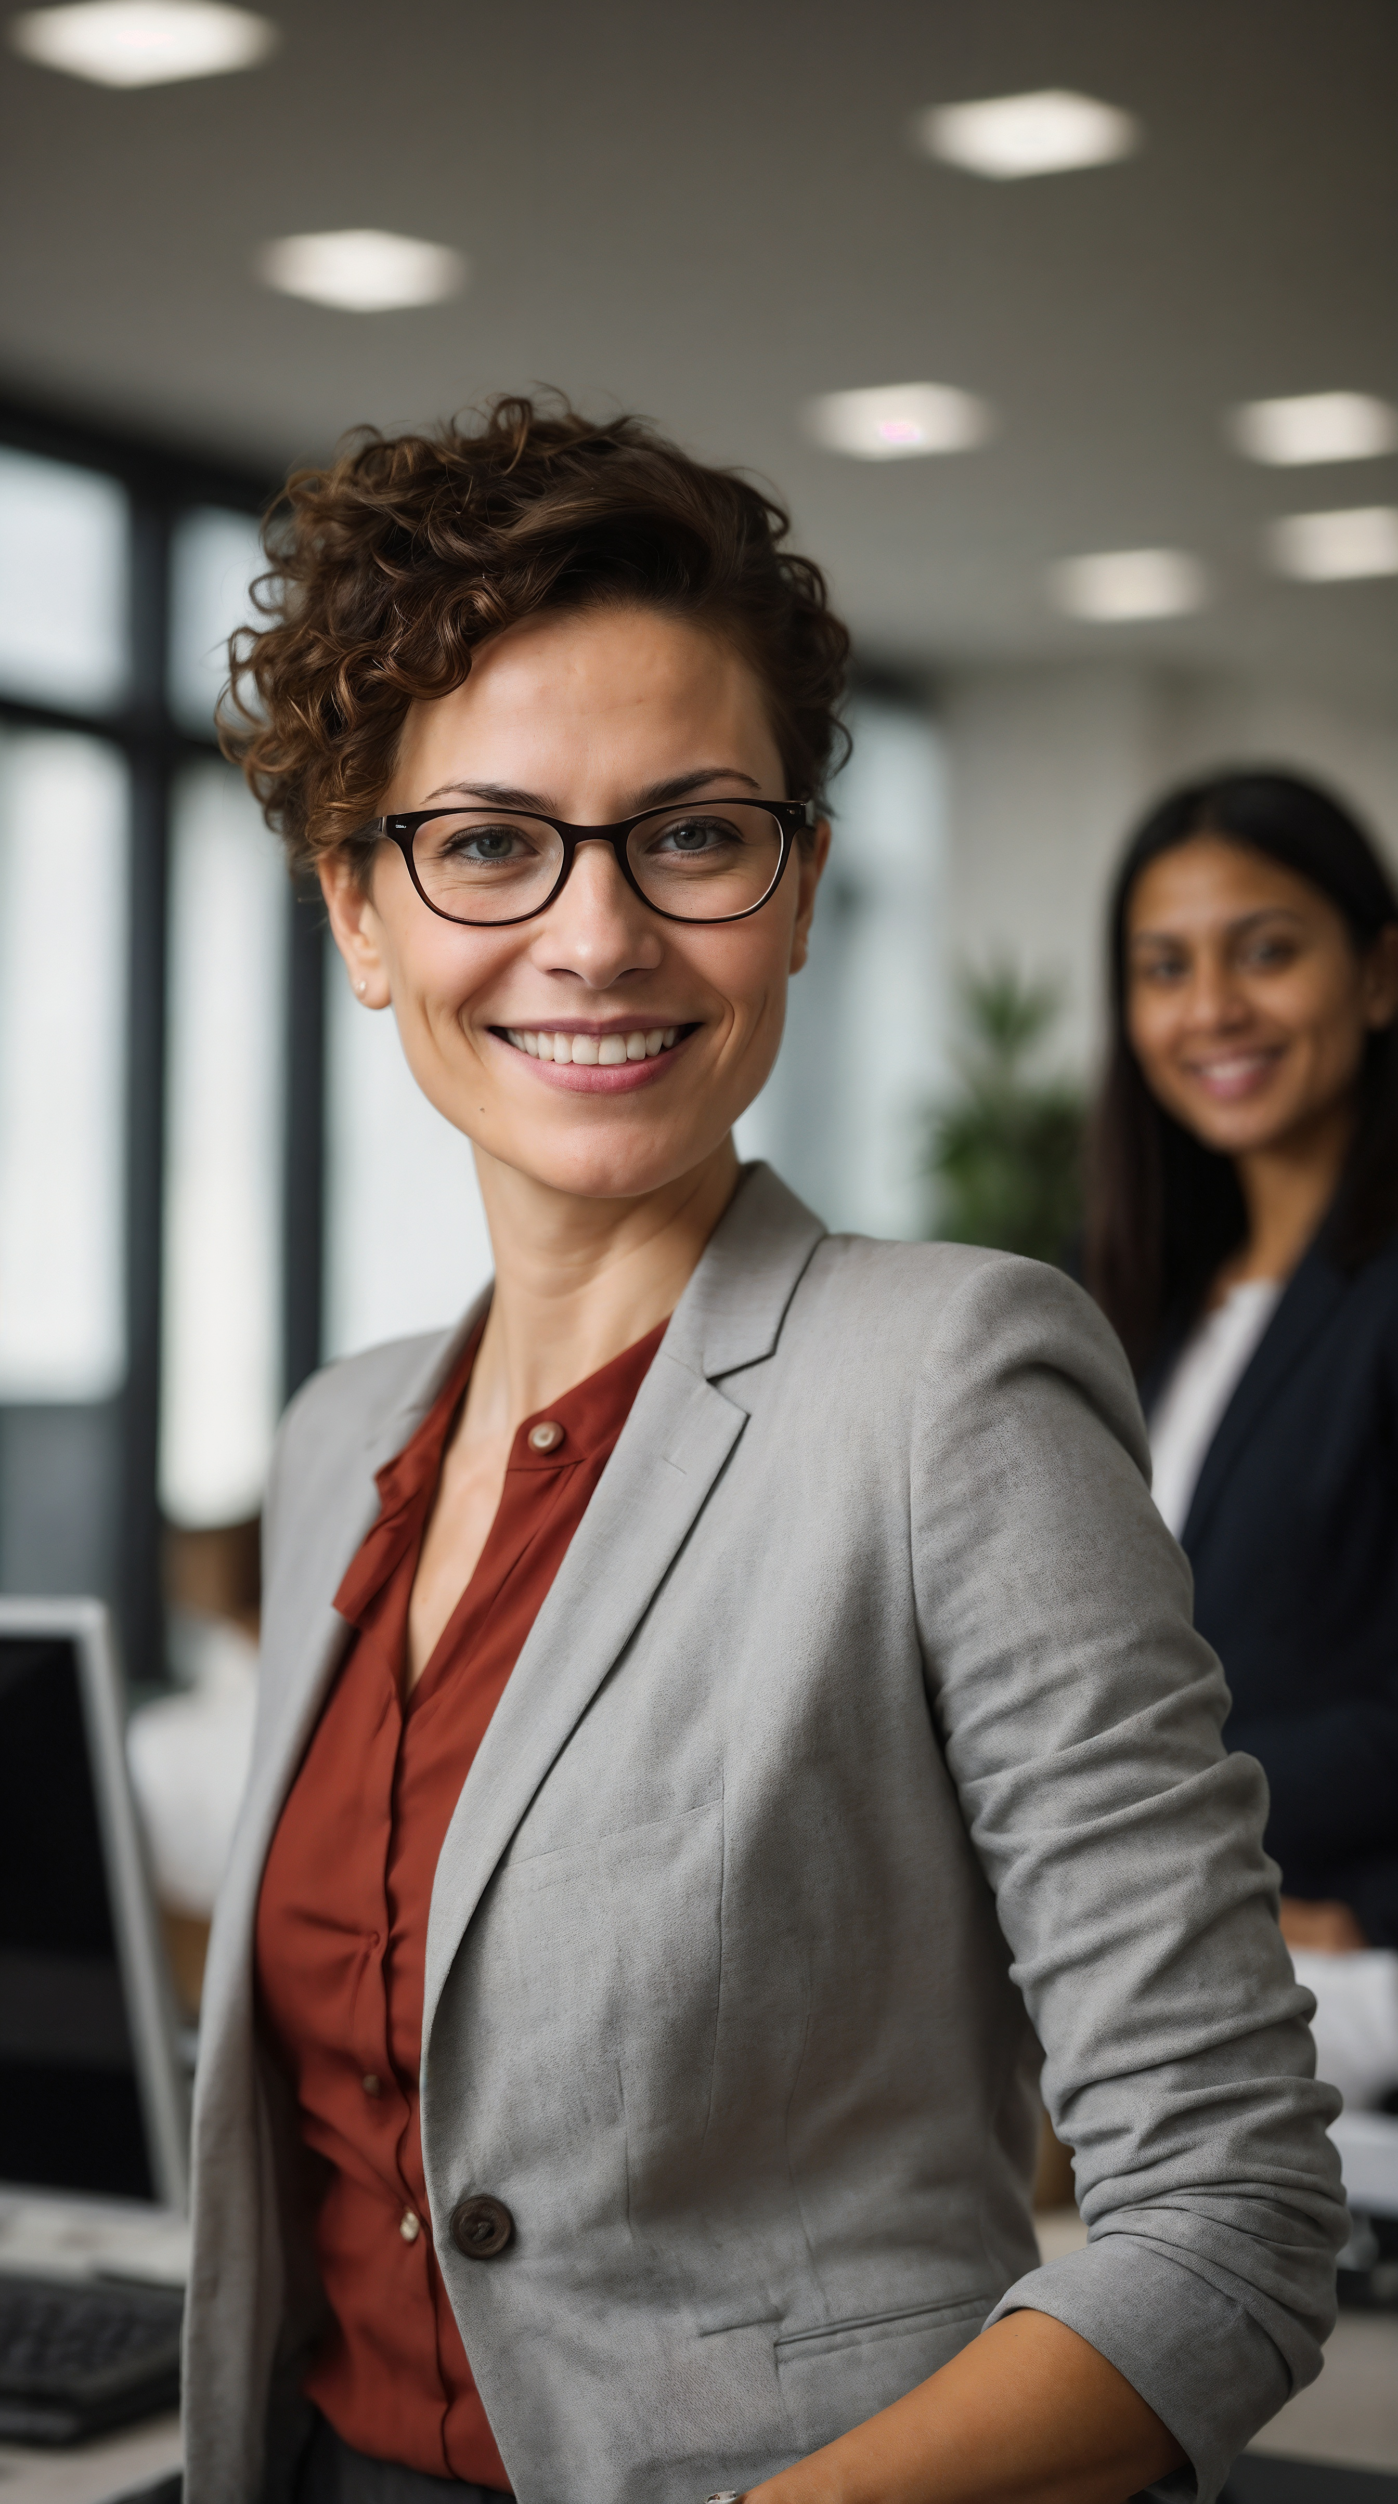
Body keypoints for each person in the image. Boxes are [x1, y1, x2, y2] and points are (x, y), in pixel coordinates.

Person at [186, 403, 1343, 2504]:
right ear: (360, 910)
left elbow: (1229, 2218)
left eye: (694, 833)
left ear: (799, 887)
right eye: (488, 840)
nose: (601, 930)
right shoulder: (345, 1430)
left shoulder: (952, 1384)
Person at [1084, 767, 1398, 2105]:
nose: (1209, 1007)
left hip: (1333, 1941)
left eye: (1262, 952)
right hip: (1162, 1923)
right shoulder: (1127, 1310)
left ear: (1378, 976)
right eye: (1163, 968)